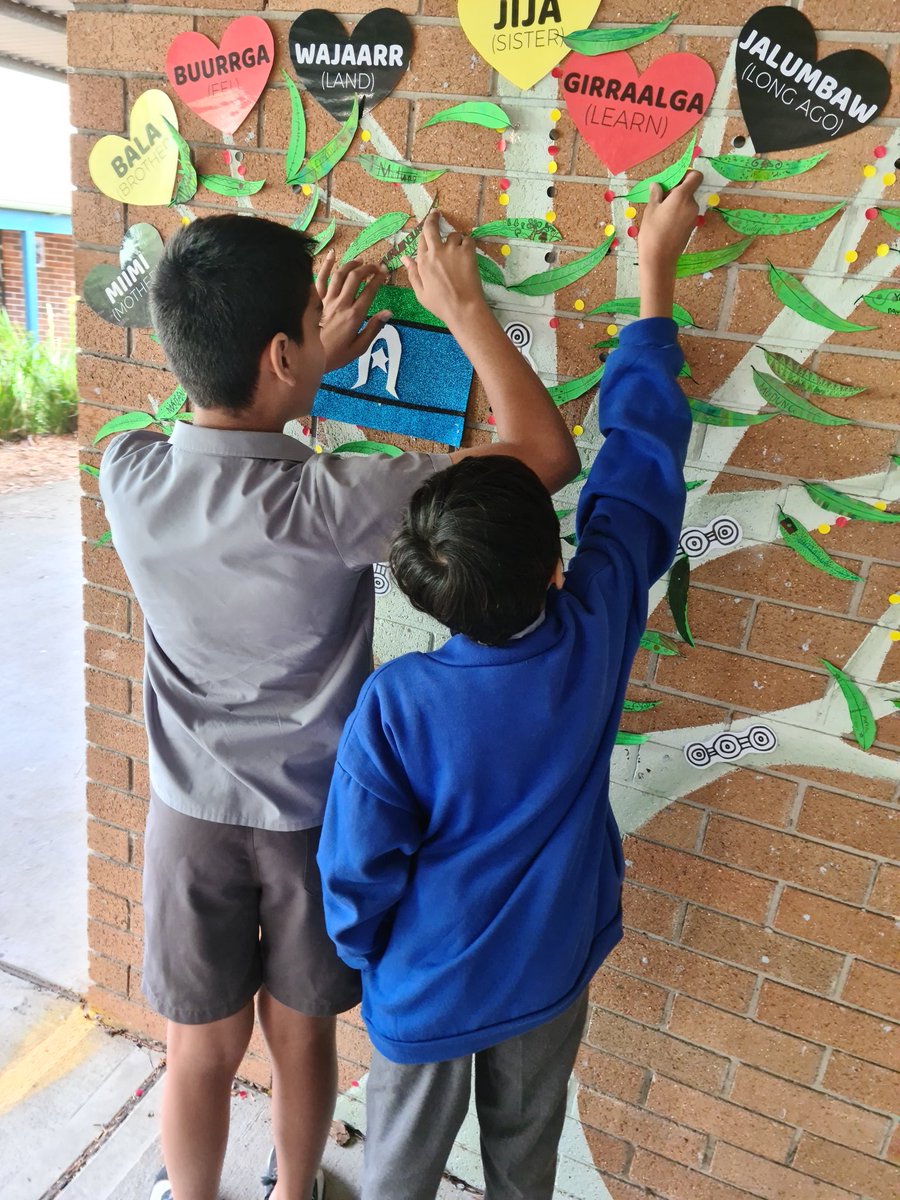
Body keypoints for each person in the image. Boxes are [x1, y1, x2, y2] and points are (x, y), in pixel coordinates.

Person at [98, 211, 579, 1200]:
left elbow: (212, 412)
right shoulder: (335, 501)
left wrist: (296, 364)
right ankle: (293, 1191)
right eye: (308, 328)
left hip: (188, 821)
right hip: (315, 824)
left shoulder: (128, 472)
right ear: (282, 353)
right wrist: (464, 309)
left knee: (198, 1051)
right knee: (300, 1036)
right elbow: (543, 453)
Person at [318, 171, 703, 1200]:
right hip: (547, 971)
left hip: (425, 987)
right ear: (555, 566)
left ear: (426, 588)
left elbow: (353, 874)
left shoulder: (398, 705)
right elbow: (639, 464)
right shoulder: (597, 623)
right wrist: (654, 278)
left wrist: (370, 959)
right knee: (524, 1171)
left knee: (396, 1176)